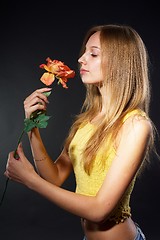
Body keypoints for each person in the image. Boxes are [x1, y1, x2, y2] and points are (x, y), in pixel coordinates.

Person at [5, 24, 157, 240]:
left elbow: (99, 210)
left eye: (93, 53)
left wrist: (31, 180)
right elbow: (55, 177)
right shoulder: (87, 120)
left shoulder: (135, 125)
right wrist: (33, 127)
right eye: (85, 51)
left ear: (119, 63)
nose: (81, 59)